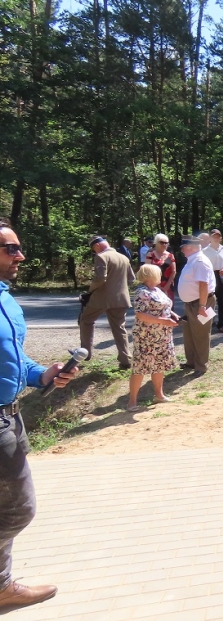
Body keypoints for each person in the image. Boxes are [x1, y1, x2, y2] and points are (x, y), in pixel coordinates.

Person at [0, 220, 78, 611]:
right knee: (18, 509)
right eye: (10, 249)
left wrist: (42, 374)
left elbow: (14, 357)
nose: (21, 255)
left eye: (18, 247)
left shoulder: (7, 299)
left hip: (11, 416)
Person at [127, 264, 179, 410]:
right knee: (140, 367)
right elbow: (140, 314)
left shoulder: (157, 290)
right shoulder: (142, 292)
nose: (161, 276)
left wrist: (173, 315)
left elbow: (164, 306)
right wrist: (163, 321)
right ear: (151, 275)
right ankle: (132, 402)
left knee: (159, 364)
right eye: (159, 273)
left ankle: (159, 395)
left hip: (162, 335)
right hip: (146, 336)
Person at [80, 235, 134, 369]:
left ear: (97, 245)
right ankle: (126, 360)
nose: (94, 251)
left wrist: (90, 290)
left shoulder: (101, 257)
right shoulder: (124, 257)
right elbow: (131, 279)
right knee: (119, 328)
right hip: (121, 298)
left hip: (102, 298)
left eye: (94, 249)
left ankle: (84, 353)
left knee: (86, 320)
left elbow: (100, 279)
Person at [177, 236, 216, 375]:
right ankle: (191, 362)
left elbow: (204, 284)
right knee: (189, 334)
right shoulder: (192, 260)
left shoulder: (200, 261)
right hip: (192, 303)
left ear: (191, 247)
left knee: (201, 334)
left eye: (183, 247)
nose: (182, 250)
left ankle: (201, 366)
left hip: (202, 302)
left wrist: (202, 306)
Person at [202, 229, 223, 334]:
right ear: (210, 238)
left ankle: (222, 324)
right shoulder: (204, 251)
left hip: (221, 276)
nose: (216, 238)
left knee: (222, 301)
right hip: (209, 276)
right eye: (214, 236)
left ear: (221, 238)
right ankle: (207, 324)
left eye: (218, 236)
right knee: (209, 301)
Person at [145, 234, 176, 301]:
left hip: (168, 286)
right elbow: (147, 271)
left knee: (169, 305)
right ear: (156, 243)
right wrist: (157, 286)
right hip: (153, 285)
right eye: (161, 242)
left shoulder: (171, 256)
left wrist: (167, 286)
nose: (164, 244)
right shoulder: (151, 254)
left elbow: (173, 271)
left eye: (166, 243)